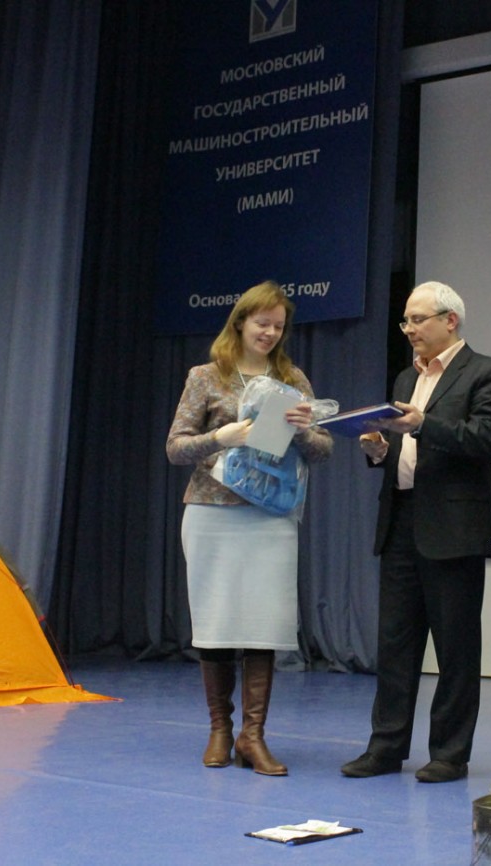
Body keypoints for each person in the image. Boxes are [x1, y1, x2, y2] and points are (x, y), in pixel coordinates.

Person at [340, 281, 491, 784]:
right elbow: (404, 449)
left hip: (454, 528)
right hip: (400, 521)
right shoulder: (405, 377)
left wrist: (421, 425)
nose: (409, 330)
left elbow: (488, 439)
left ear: (449, 321)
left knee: (456, 647)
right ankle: (385, 747)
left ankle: (450, 754)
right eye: (405, 321)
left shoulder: (487, 372)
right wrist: (379, 450)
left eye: (417, 320)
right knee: (395, 644)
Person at [165, 280, 333, 776]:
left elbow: (323, 449)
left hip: (271, 517)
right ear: (240, 321)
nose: (270, 333)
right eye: (262, 323)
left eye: (278, 326)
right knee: (215, 623)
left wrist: (301, 431)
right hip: (212, 513)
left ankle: (252, 737)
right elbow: (175, 447)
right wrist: (221, 436)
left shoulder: (292, 378)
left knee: (264, 624)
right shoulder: (205, 376)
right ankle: (220, 730)